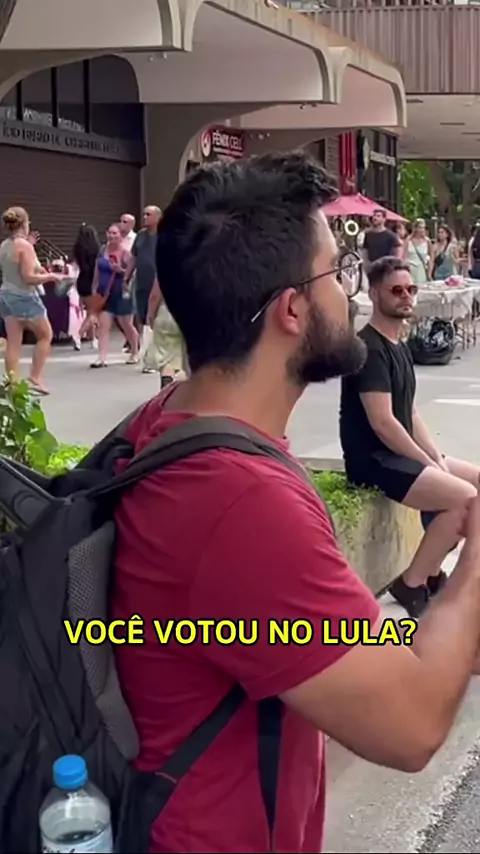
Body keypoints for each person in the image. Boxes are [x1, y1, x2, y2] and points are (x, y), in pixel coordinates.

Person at [110, 153, 480, 854]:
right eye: (337, 274)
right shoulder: (238, 502)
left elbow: (297, 636)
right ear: (291, 309)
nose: (350, 294)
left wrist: (429, 642)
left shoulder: (174, 420)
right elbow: (410, 728)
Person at [340, 255, 480, 616]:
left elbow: (410, 412)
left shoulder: (398, 345)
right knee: (464, 497)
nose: (406, 296)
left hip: (399, 454)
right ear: (374, 294)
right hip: (373, 459)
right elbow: (383, 423)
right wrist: (427, 464)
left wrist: (434, 457)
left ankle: (435, 573)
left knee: (476, 482)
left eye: (411, 289)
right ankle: (412, 584)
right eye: (396, 290)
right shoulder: (369, 349)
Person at [0, 206, 63, 394]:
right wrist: (50, 276)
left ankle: (11, 383)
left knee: (14, 341)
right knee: (45, 335)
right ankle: (35, 377)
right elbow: (28, 277)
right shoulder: (24, 246)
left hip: (6, 294)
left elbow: (20, 267)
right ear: (25, 223)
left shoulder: (5, 245)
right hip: (24, 296)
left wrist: (38, 265)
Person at [89, 223, 139, 369]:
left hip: (121, 293)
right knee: (103, 326)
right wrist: (94, 289)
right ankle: (102, 357)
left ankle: (135, 351)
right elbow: (97, 271)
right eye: (110, 233)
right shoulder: (102, 250)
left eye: (115, 233)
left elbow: (131, 273)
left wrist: (120, 270)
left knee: (126, 324)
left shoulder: (125, 253)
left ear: (121, 236)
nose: (112, 236)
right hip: (104, 293)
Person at [125, 205, 161, 372]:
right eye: (144, 214)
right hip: (142, 283)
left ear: (158, 217)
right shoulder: (140, 236)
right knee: (143, 319)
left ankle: (153, 358)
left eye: (149, 214)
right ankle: (147, 354)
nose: (145, 217)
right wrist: (126, 276)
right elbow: (133, 258)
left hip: (160, 285)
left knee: (156, 319)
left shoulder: (164, 235)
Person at [73, 223, 101, 347]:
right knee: (93, 312)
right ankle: (79, 335)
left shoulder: (77, 249)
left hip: (81, 280)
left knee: (90, 311)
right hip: (92, 281)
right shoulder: (97, 250)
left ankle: (93, 339)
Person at [403, 217, 433, 284]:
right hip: (410, 268)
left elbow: (431, 257)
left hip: (421, 268)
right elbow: (403, 255)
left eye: (423, 227)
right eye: (420, 227)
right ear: (415, 228)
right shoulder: (408, 240)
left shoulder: (427, 241)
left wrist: (429, 273)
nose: (422, 230)